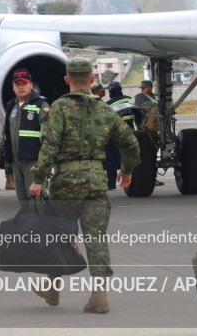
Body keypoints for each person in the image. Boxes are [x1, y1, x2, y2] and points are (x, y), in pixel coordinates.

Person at [29, 57, 140, 312]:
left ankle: (53, 289)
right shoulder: (105, 110)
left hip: (65, 183)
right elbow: (130, 144)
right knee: (96, 239)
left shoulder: (58, 108)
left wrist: (38, 178)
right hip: (96, 183)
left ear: (67, 80)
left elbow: (49, 145)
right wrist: (128, 170)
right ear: (92, 80)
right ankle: (99, 295)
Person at [0, 68, 51, 203]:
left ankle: (40, 224)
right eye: (18, 84)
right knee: (22, 199)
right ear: (13, 87)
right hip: (17, 162)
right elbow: (6, 133)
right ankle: (28, 224)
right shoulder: (12, 106)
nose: (21, 87)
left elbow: (49, 136)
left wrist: (45, 163)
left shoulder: (41, 105)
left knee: (36, 199)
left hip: (33, 161)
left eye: (24, 84)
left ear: (31, 85)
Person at [104, 81, 135, 191]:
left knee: (111, 158)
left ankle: (111, 184)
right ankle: (133, 181)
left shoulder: (108, 104)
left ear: (110, 92)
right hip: (129, 133)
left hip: (114, 136)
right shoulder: (129, 100)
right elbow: (139, 115)